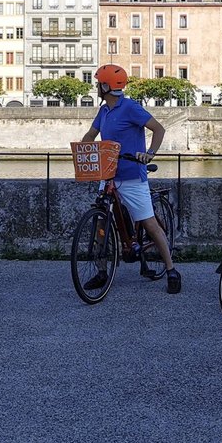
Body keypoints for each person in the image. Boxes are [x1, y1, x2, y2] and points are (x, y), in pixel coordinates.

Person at [76, 64, 180, 294]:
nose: (96, 87)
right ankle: (102, 271)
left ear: (105, 86)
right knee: (101, 222)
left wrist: (149, 153)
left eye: (98, 84)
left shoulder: (131, 107)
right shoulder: (103, 112)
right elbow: (91, 135)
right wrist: (82, 150)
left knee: (150, 224)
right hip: (109, 173)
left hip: (132, 175)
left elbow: (158, 129)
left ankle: (171, 269)